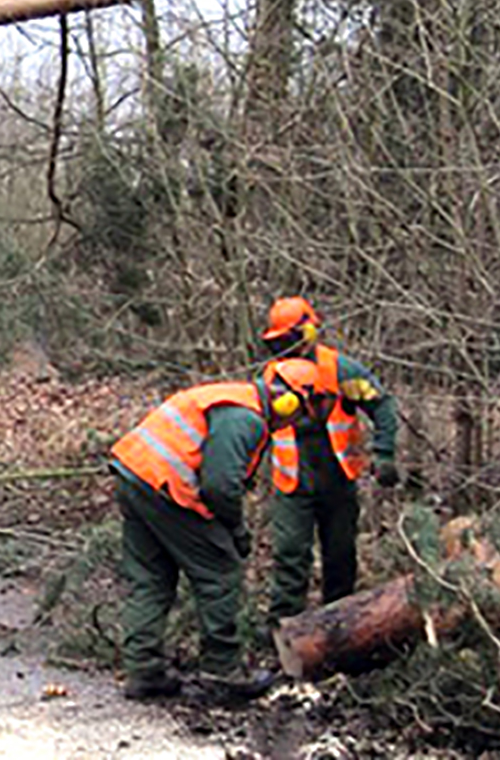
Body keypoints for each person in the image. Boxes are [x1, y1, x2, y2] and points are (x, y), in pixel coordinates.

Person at [109, 360, 320, 701]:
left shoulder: (234, 399)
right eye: (300, 412)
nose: (296, 421)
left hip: (135, 475)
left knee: (150, 577)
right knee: (220, 573)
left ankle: (143, 671)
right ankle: (223, 672)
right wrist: (235, 531)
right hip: (166, 486)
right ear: (289, 402)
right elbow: (220, 486)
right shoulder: (246, 417)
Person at [258, 297, 402, 622]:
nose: (284, 348)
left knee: (340, 555)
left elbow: (381, 403)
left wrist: (384, 453)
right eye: (278, 342)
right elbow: (256, 426)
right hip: (292, 480)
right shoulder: (271, 378)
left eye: (288, 340)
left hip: (338, 477)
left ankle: (340, 626)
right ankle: (282, 629)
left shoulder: (340, 369)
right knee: (290, 555)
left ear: (308, 332)